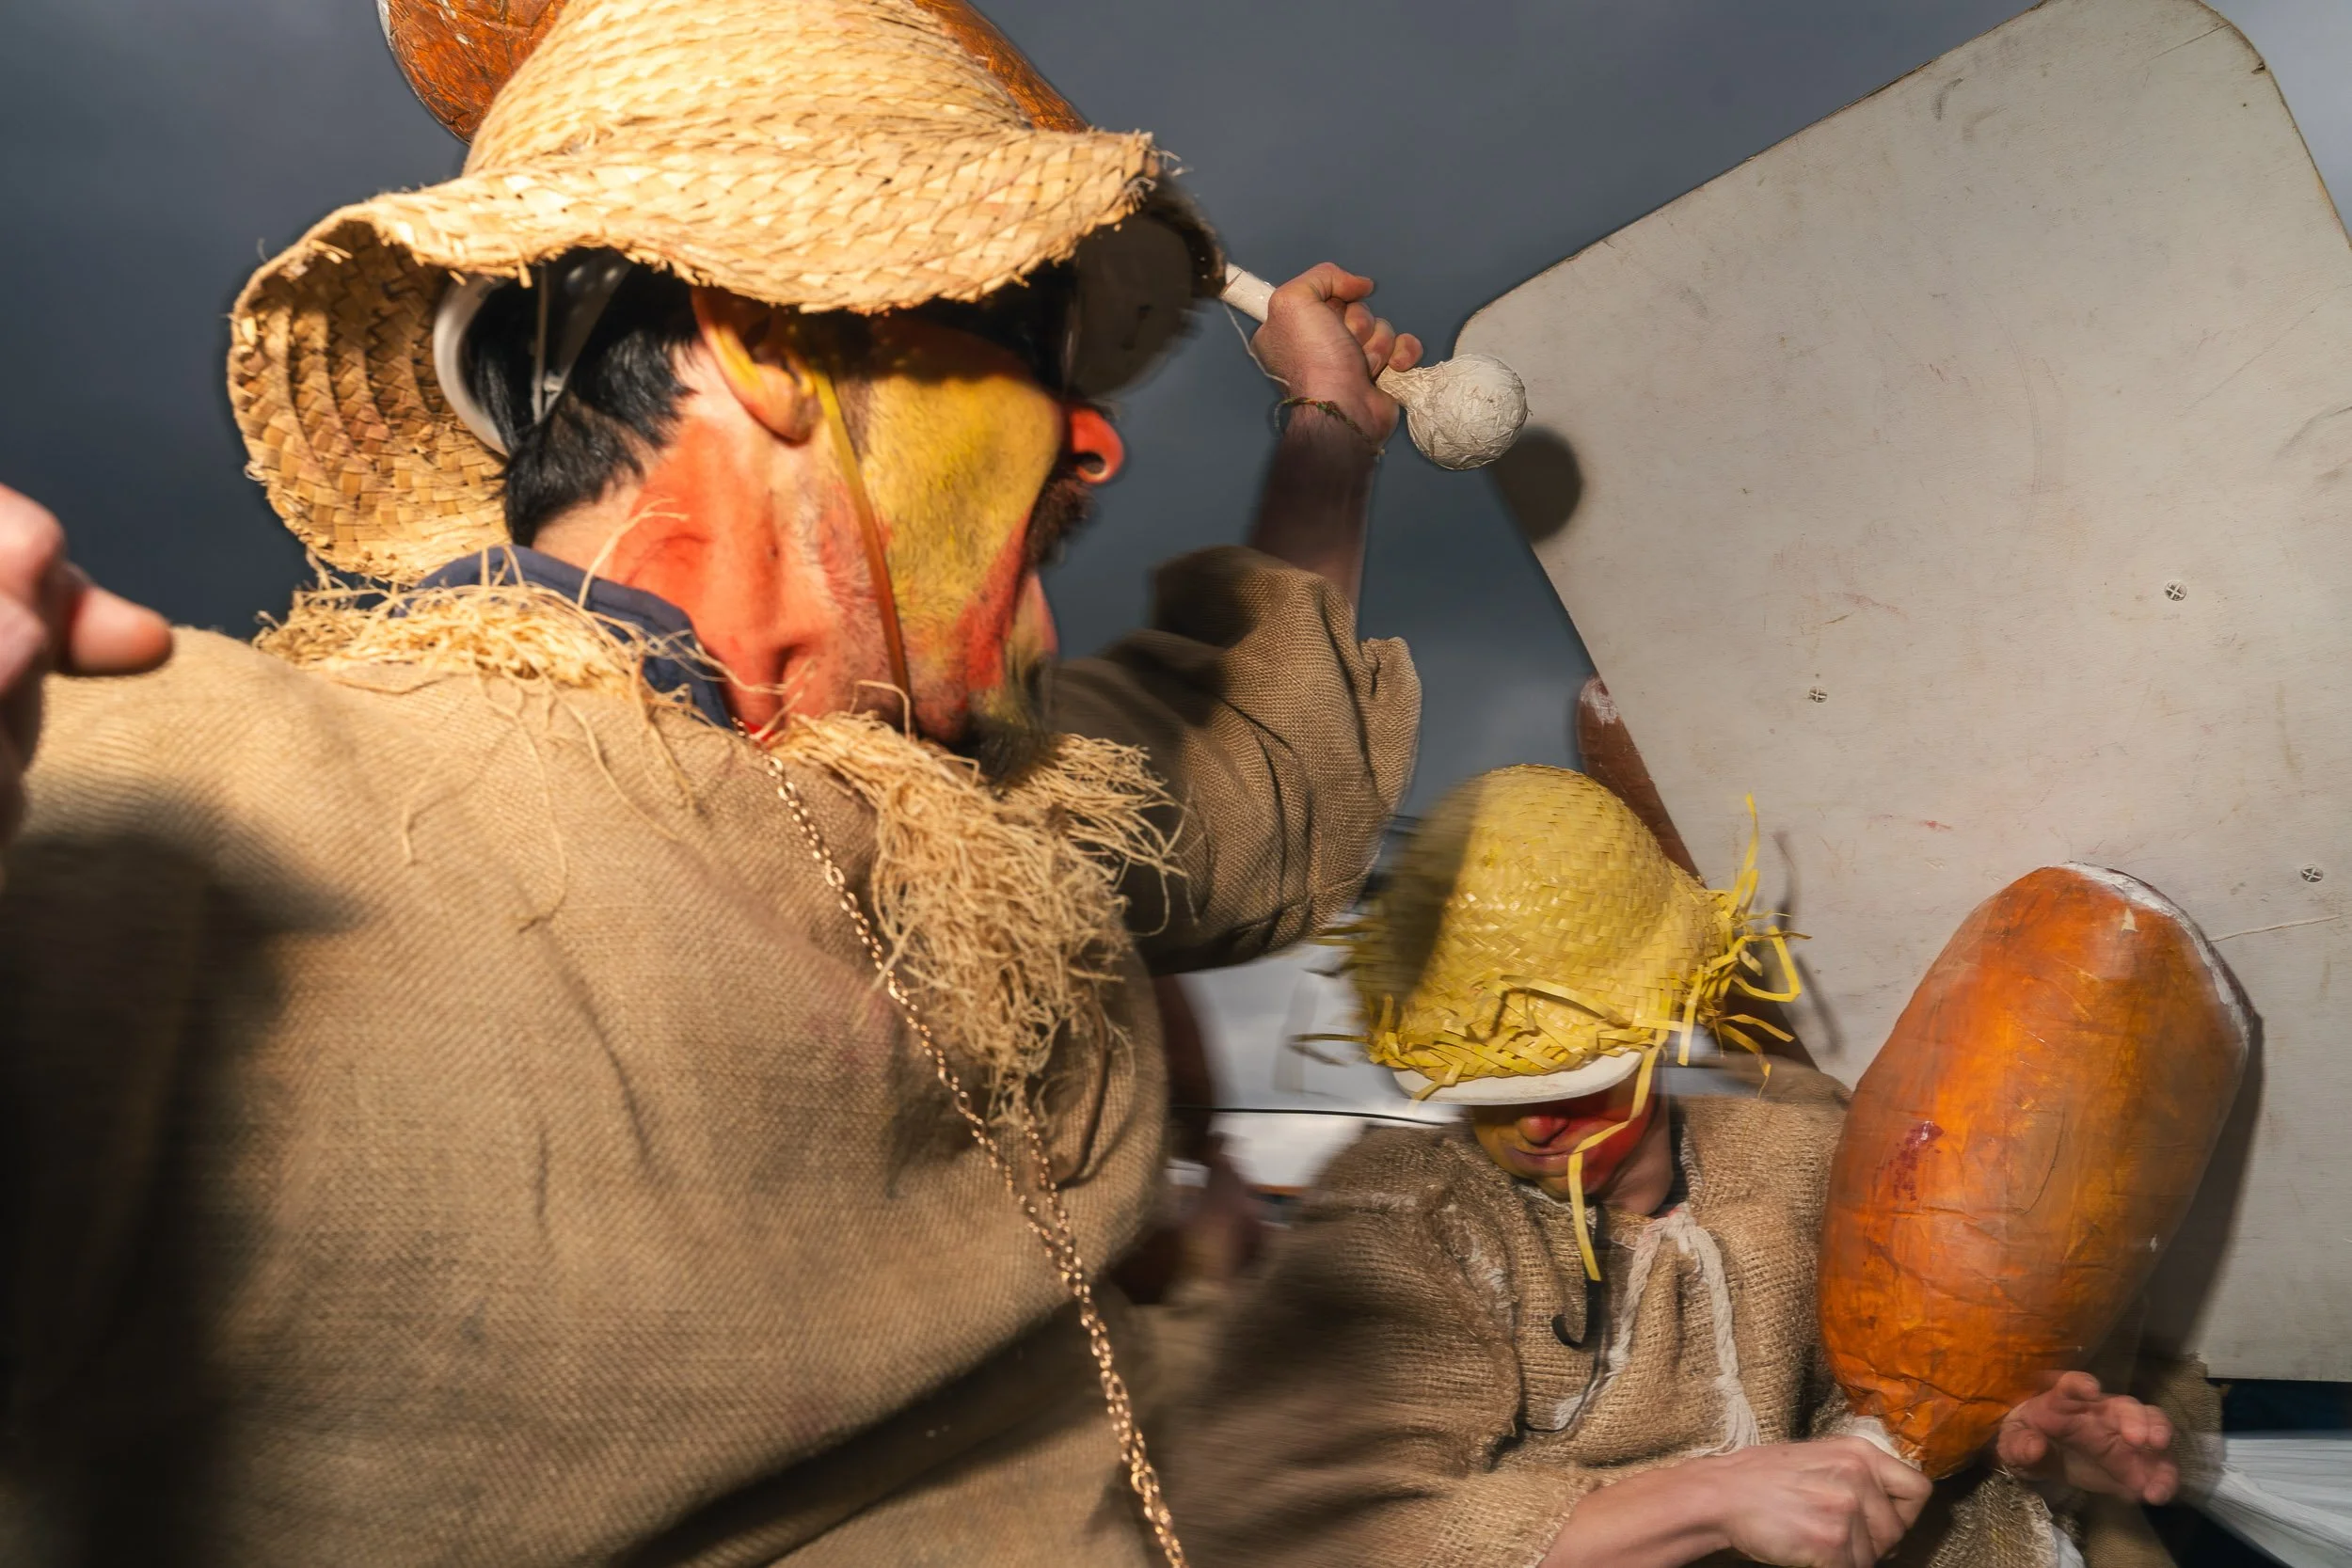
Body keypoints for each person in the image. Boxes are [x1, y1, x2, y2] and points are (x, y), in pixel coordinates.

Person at [0, 1, 1424, 1562]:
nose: (1096, 449)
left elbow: (1256, 760)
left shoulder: (1012, 802)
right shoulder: (197, 800)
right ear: (771, 344)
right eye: (1029, 343)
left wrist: (1330, 427)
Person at [1166, 766, 2179, 1568]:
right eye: (1493, 1090)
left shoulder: (1806, 1155)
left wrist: (2020, 1439)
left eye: (1577, 1077)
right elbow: (1289, 1521)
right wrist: (1705, 1497)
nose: (1537, 1125)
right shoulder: (1404, 1213)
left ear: (1656, 1032)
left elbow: (1878, 1415)